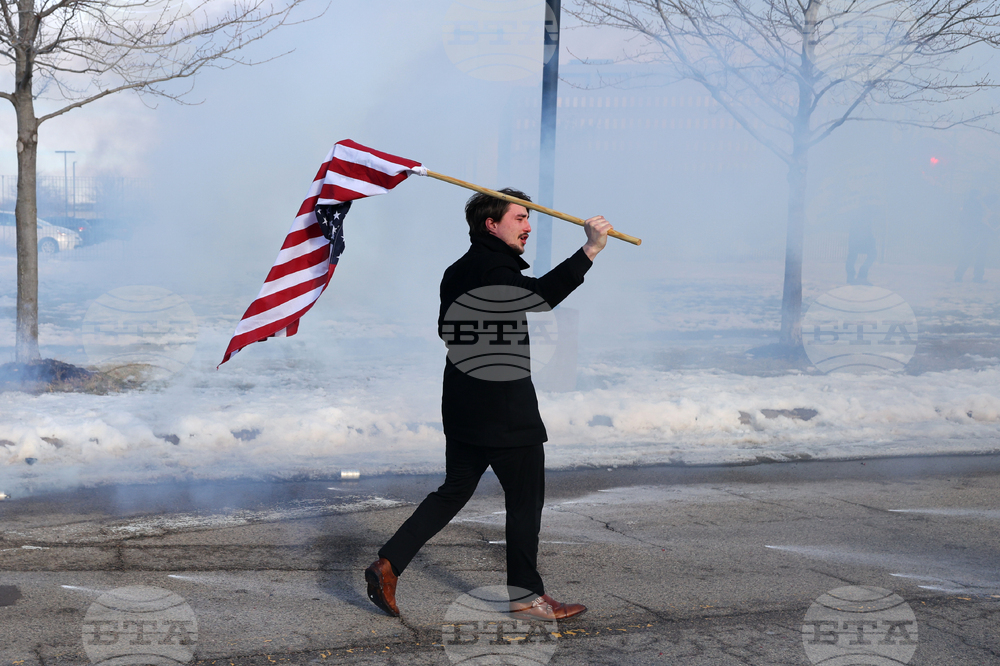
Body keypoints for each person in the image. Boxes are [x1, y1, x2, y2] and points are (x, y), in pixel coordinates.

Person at [365, 188, 612, 620]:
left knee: (453, 492)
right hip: (502, 406)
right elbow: (540, 297)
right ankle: (526, 597)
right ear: (491, 225)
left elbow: (447, 331)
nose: (529, 226)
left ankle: (389, 563)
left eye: (528, 219)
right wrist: (590, 249)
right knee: (523, 501)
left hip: (462, 401)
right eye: (520, 218)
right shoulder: (495, 266)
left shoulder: (456, 269)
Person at [955, 190, 988, 283]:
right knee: (974, 255)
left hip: (971, 234)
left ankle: (960, 275)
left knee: (973, 255)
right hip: (975, 234)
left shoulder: (969, 205)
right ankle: (974, 276)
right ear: (977, 195)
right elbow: (978, 220)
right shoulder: (975, 206)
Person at [846, 212, 877, 286]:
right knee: (853, 256)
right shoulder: (861, 213)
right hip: (858, 239)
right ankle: (857, 277)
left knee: (853, 256)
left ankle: (857, 277)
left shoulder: (866, 215)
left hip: (861, 239)